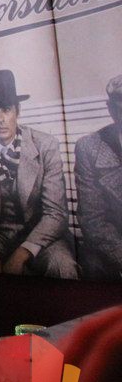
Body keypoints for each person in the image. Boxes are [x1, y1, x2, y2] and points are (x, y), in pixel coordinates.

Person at [0, 70, 78, 278]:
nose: (0, 119)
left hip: (42, 235)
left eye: (6, 109)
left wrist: (21, 255)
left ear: (18, 110)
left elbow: (56, 213)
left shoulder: (45, 145)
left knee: (62, 266)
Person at [75, 74, 122, 281]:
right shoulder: (89, 148)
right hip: (113, 248)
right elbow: (92, 220)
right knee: (93, 264)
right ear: (110, 109)